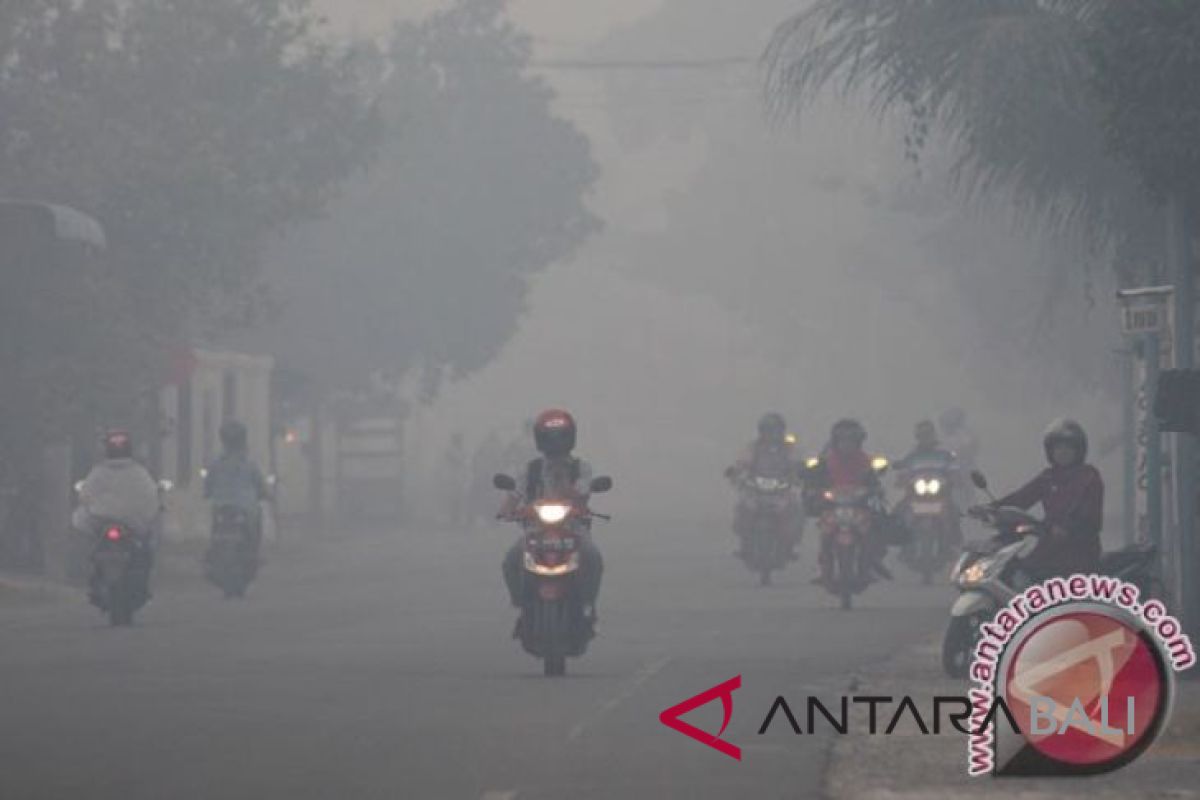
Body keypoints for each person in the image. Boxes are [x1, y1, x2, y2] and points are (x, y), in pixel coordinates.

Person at [501, 409, 604, 629]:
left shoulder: (580, 467)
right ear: (540, 439)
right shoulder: (530, 468)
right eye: (550, 438)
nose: (555, 443)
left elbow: (582, 494)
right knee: (511, 559)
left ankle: (587, 602)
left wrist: (563, 478)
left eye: (560, 437)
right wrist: (507, 511)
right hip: (535, 530)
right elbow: (514, 495)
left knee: (593, 557)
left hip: (573, 529)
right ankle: (520, 602)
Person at [993, 418, 1103, 579]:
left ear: (1078, 450)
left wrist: (1067, 528)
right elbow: (1022, 497)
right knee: (1013, 570)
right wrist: (993, 508)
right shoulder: (1048, 477)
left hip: (1078, 551)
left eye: (1068, 447)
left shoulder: (1089, 477)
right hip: (1049, 546)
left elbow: (1090, 515)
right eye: (1058, 447)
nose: (1062, 452)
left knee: (1030, 576)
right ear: (1050, 451)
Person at [73, 430, 161, 603]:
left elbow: (84, 496)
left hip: (103, 521)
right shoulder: (139, 472)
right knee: (146, 547)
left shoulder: (98, 472)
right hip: (130, 523)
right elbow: (151, 496)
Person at [804, 418, 890, 585]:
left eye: (851, 441)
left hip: (858, 506)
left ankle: (871, 563)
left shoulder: (865, 460)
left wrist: (874, 490)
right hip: (834, 506)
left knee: (873, 529)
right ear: (835, 442)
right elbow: (813, 478)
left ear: (858, 442)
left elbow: (874, 480)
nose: (846, 445)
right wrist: (814, 489)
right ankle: (823, 569)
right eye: (843, 441)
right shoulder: (827, 461)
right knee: (825, 535)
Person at [725, 412, 804, 559]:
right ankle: (744, 543)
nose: (772, 435)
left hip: (782, 489)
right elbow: (742, 463)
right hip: (756, 489)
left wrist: (801, 473)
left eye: (775, 431)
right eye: (768, 431)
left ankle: (790, 544)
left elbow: (798, 464)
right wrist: (737, 473)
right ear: (761, 432)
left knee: (795, 509)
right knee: (743, 507)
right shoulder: (753, 448)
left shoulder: (789, 448)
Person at [203, 420, 269, 557]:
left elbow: (207, 487)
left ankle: (211, 551)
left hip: (221, 507)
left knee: (214, 524)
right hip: (246, 509)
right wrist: (266, 495)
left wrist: (207, 493)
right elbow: (261, 486)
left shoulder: (216, 464)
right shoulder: (250, 464)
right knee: (257, 519)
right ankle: (256, 553)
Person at [939, 407, 980, 510]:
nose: (947, 426)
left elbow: (971, 447)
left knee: (966, 491)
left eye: (950, 423)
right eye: (946, 423)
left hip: (962, 471)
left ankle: (969, 511)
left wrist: (960, 454)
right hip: (943, 472)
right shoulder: (939, 437)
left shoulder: (965, 435)